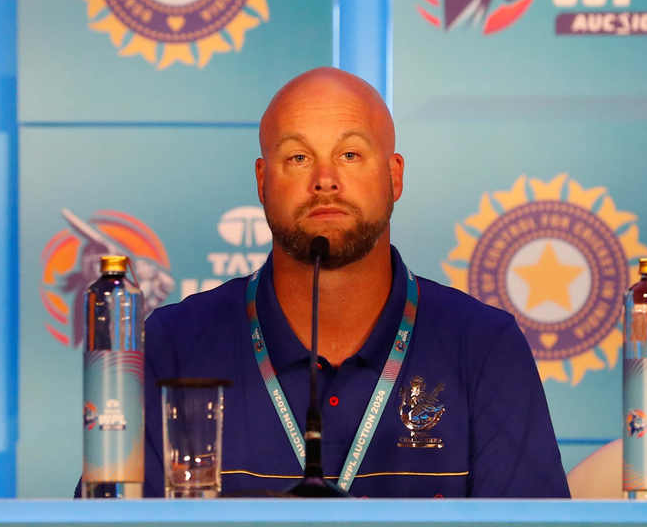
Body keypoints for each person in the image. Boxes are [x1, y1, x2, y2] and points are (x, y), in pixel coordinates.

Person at [141, 67, 570, 498]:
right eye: (298, 158)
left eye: (349, 154)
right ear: (262, 181)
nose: (325, 180)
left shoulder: (484, 346)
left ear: (394, 176)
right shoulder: (173, 344)